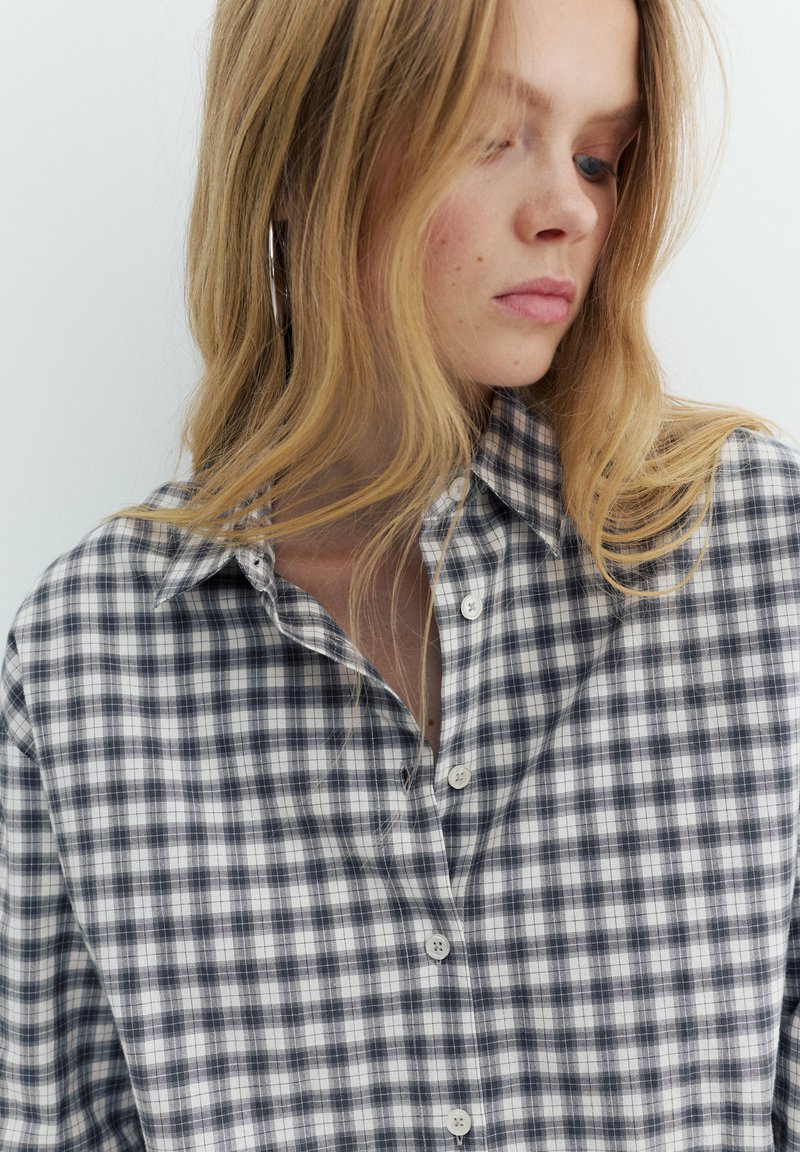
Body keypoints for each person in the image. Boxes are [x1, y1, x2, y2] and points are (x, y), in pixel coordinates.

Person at [2, 0, 798, 1148]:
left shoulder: (755, 561)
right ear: (296, 157)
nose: (571, 209)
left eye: (598, 157)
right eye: (490, 137)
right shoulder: (89, 662)